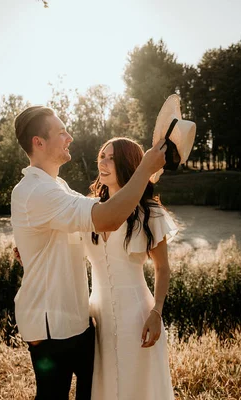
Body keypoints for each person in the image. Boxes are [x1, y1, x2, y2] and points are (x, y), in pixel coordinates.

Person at [10, 105, 168, 400]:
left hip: (81, 322)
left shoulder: (59, 187)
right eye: (61, 132)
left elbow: (69, 234)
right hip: (50, 327)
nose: (69, 137)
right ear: (38, 142)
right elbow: (107, 218)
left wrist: (30, 250)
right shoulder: (36, 191)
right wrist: (145, 168)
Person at [83, 137, 177, 400]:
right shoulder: (88, 210)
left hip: (137, 316)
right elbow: (64, 250)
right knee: (103, 387)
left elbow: (163, 268)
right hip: (95, 317)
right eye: (102, 155)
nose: (103, 161)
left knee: (139, 387)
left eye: (112, 157)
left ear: (128, 164)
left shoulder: (150, 213)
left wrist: (156, 312)